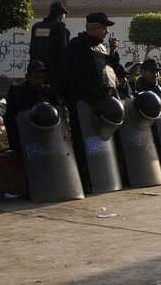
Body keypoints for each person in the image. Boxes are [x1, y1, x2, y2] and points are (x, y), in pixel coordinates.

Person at [63, 12, 121, 189]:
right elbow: (71, 75)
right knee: (83, 142)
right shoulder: (77, 46)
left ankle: (103, 177)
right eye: (104, 29)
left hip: (101, 104)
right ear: (94, 28)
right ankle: (85, 180)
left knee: (99, 141)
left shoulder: (100, 47)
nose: (106, 33)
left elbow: (110, 68)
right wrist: (89, 95)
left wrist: (113, 51)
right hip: (83, 103)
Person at [4, 60, 56, 151]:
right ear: (28, 77)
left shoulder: (46, 91)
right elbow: (10, 118)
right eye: (36, 78)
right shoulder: (17, 92)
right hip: (23, 137)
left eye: (42, 78)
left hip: (43, 136)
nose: (39, 81)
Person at [29, 1, 70, 93]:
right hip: (54, 74)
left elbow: (32, 49)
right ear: (60, 15)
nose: (64, 17)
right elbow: (62, 52)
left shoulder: (37, 26)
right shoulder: (60, 28)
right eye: (64, 15)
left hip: (36, 71)